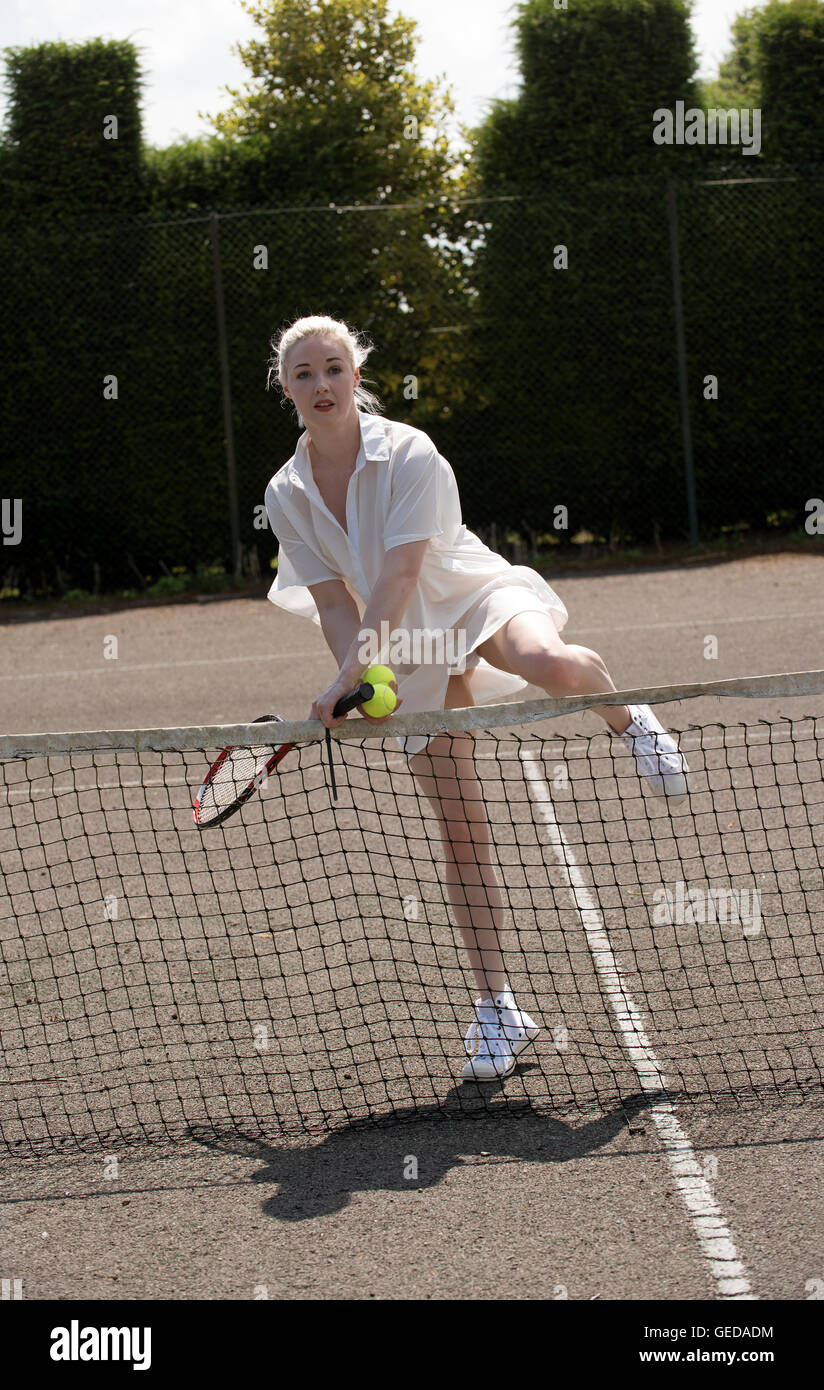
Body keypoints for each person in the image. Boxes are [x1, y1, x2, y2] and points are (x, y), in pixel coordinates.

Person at [264, 315, 689, 1081]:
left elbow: (400, 576)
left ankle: (631, 721)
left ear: (355, 377)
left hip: (468, 595)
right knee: (462, 835)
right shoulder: (285, 492)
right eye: (304, 374)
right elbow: (332, 601)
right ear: (286, 388)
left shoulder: (410, 452)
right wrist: (358, 678)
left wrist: (347, 673)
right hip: (403, 648)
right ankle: (499, 1009)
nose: (321, 384)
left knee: (548, 661)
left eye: (333, 369)